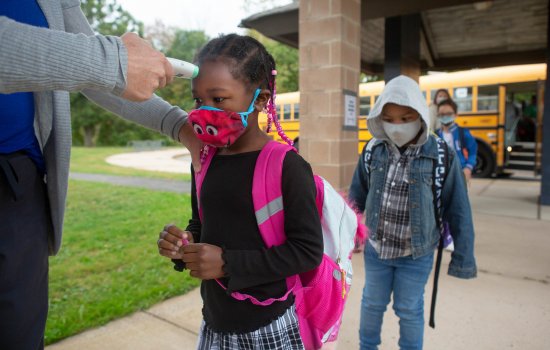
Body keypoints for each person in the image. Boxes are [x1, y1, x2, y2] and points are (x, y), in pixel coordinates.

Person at [0, 2, 201, 349]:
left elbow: (97, 77)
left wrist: (181, 126)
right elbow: (100, 64)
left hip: (20, 185)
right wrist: (112, 61)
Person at [157, 34, 323, 349]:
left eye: (218, 99)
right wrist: (186, 245)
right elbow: (201, 225)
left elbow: (307, 251)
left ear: (260, 100)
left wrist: (228, 263)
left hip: (268, 328)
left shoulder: (287, 166)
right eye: (198, 100)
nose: (205, 111)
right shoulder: (205, 160)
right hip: (214, 324)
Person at [348, 75, 477, 350]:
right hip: (377, 249)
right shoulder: (372, 150)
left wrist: (463, 259)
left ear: (419, 114)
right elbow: (356, 197)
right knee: (371, 304)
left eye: (405, 117)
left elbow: (459, 208)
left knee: (409, 309)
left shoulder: (441, 154)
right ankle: (367, 346)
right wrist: (349, 238)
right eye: (389, 118)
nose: (397, 126)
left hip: (416, 254)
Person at [435, 99, 478, 183]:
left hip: (460, 173)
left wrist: (468, 168)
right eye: (442, 114)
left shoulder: (463, 132)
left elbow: (473, 150)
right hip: (440, 176)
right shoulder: (435, 135)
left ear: (455, 115)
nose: (445, 116)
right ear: (438, 115)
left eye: (449, 113)